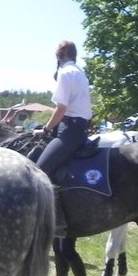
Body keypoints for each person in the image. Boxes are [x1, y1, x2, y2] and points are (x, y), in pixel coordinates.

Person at [31, 40, 93, 178]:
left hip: (70, 130)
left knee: (38, 174)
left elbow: (61, 109)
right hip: (81, 128)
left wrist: (45, 129)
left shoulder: (65, 73)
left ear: (59, 55)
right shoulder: (80, 72)